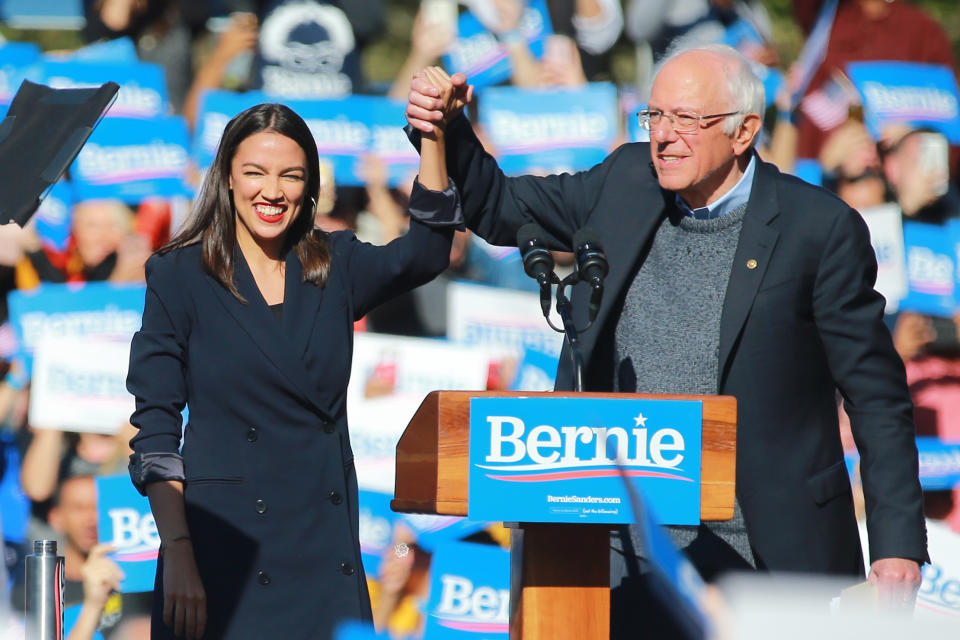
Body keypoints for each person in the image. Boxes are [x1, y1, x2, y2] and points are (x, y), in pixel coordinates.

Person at [404, 45, 927, 630]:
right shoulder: (627, 180)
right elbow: (499, 207)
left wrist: (897, 544)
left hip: (763, 548)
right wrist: (446, 125)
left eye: (686, 120)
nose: (664, 137)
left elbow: (877, 398)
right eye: (654, 117)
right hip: (617, 539)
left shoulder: (820, 230)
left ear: (743, 132)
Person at [126, 94, 462, 640]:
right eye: (255, 172)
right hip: (218, 554)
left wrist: (432, 135)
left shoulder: (337, 262)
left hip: (319, 551)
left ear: (310, 185)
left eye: (291, 175)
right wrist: (180, 552)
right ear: (227, 178)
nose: (272, 191)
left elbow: (425, 253)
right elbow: (156, 431)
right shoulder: (178, 275)